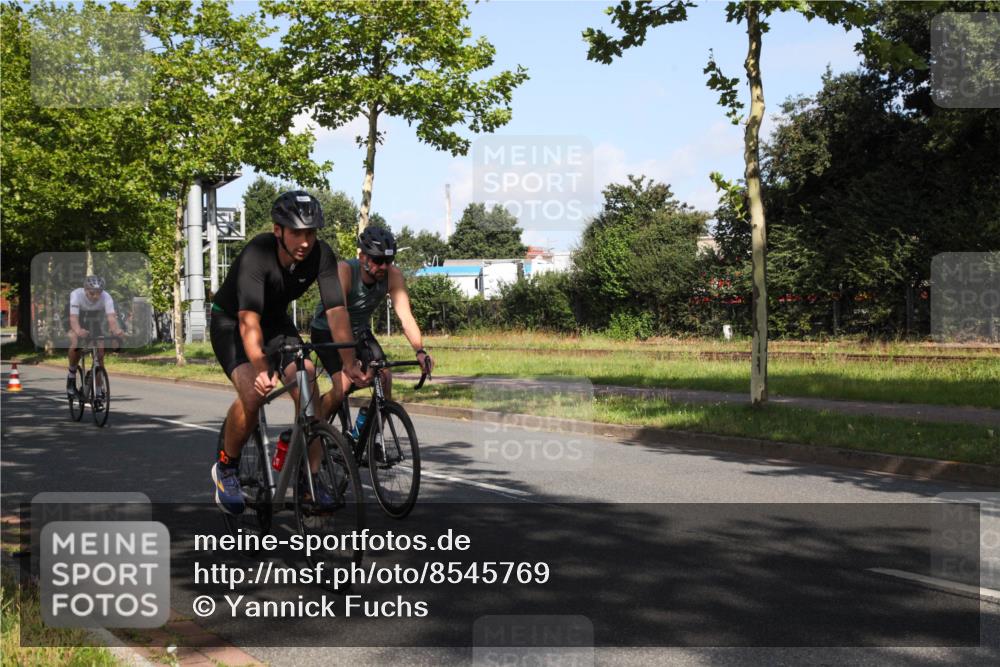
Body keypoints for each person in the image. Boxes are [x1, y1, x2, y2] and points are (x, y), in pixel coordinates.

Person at [209, 190, 369, 515]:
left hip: (276, 324)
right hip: (232, 321)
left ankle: (309, 482)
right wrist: (261, 366)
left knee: (308, 378)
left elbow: (337, 311)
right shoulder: (257, 253)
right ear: (278, 230)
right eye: (296, 232)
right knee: (253, 396)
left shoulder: (321, 256)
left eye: (310, 232)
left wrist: (349, 363)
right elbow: (248, 320)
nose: (305, 241)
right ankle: (227, 467)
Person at [310, 226, 434, 425]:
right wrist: (349, 364)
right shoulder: (345, 271)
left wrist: (420, 350)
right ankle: (313, 433)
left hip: (359, 330)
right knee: (342, 387)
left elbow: (406, 317)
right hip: (328, 331)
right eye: (377, 260)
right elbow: (338, 317)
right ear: (362, 257)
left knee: (384, 377)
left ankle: (370, 439)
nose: (384, 267)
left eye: (388, 261)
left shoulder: (393, 276)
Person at [66, 275, 124, 396]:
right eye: (92, 293)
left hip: (94, 319)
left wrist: (116, 331)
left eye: (98, 293)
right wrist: (78, 330)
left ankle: (98, 391)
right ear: (85, 289)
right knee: (75, 341)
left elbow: (111, 318)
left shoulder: (106, 297)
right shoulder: (76, 295)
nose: (95, 296)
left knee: (100, 355)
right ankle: (71, 376)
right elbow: (73, 318)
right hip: (76, 318)